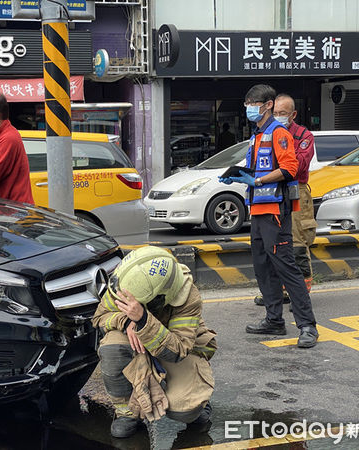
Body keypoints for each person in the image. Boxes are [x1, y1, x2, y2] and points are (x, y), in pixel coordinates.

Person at [218, 84, 318, 348]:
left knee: (286, 268)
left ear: (268, 105)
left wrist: (258, 179)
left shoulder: (278, 132)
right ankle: (274, 320)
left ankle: (307, 325)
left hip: (275, 211)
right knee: (263, 268)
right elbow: (258, 167)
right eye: (248, 102)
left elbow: (290, 167)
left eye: (254, 103)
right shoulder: (257, 135)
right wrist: (240, 174)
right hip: (259, 211)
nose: (250, 107)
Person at [92, 246, 217, 439]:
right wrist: (125, 321)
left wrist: (142, 320)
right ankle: (127, 413)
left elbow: (178, 350)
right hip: (140, 340)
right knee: (112, 347)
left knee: (186, 412)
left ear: (158, 299)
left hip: (172, 345)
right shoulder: (127, 283)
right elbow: (100, 318)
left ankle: (200, 403)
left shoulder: (187, 296)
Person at [254, 94, 317, 307]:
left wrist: (277, 163)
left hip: (295, 190)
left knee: (297, 242)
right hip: (271, 190)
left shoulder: (303, 136)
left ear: (293, 114)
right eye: (276, 113)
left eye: (283, 113)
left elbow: (295, 166)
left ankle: (300, 293)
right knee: (272, 245)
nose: (278, 117)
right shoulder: (266, 133)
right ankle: (274, 292)